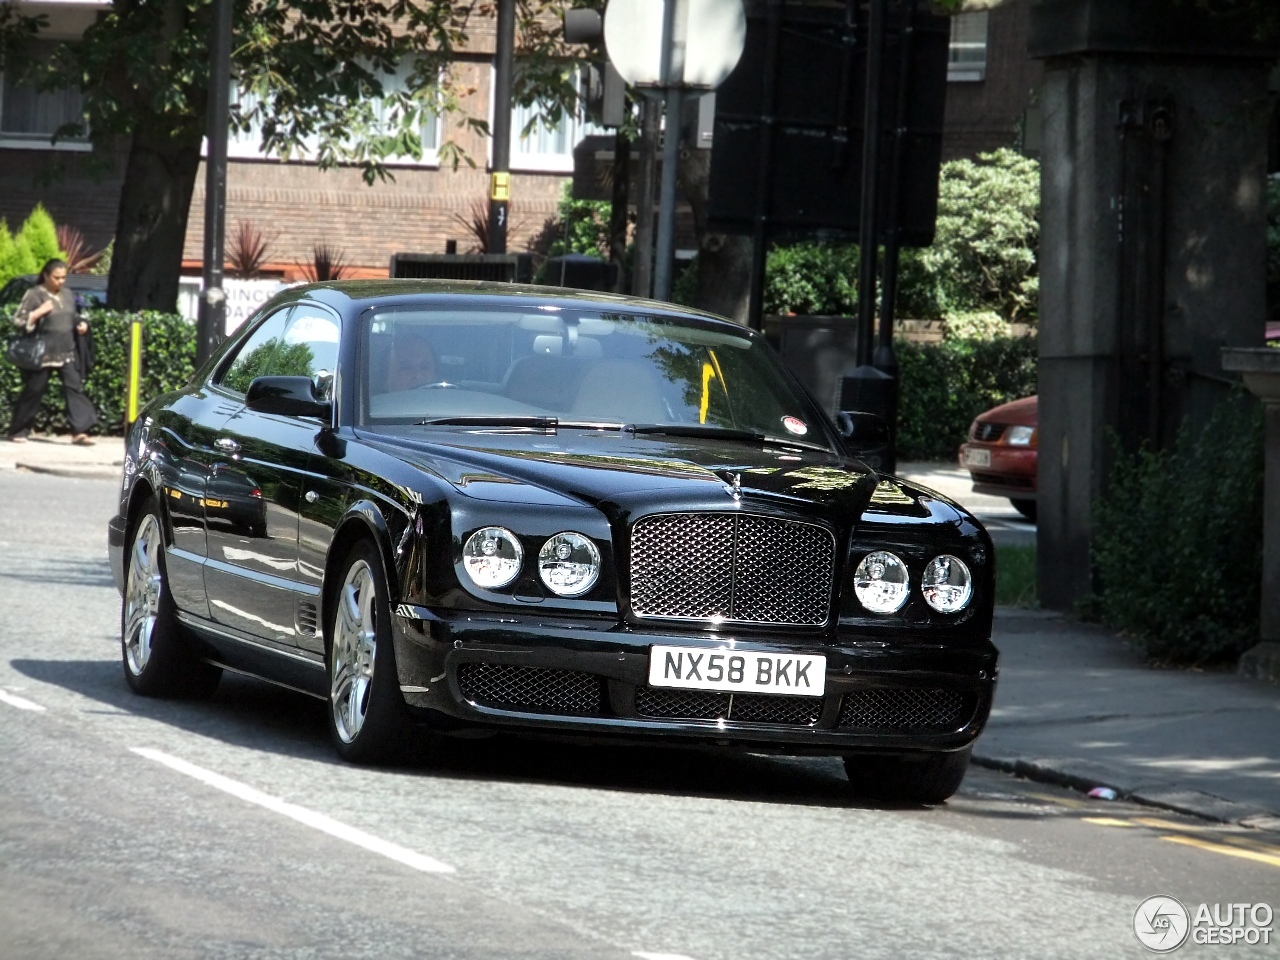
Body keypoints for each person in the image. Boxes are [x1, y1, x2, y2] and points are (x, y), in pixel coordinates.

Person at [5, 259, 98, 445]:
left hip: (66, 351)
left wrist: (80, 324)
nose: (61, 281)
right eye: (56, 278)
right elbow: (18, 321)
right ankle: (19, 430)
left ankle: (80, 432)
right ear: (46, 276)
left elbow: (71, 316)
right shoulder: (34, 294)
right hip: (42, 353)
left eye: (63, 277)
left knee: (74, 389)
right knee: (34, 390)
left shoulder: (67, 294)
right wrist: (38, 313)